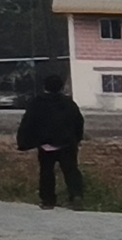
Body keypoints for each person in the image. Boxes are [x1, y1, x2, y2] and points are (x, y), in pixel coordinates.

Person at [15, 65, 85, 209]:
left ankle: (48, 200)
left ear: (45, 87)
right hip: (67, 144)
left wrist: (24, 142)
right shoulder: (69, 103)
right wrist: (76, 139)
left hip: (45, 145)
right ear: (61, 87)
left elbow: (28, 123)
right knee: (71, 171)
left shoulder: (37, 103)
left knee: (46, 172)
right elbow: (79, 122)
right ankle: (76, 196)